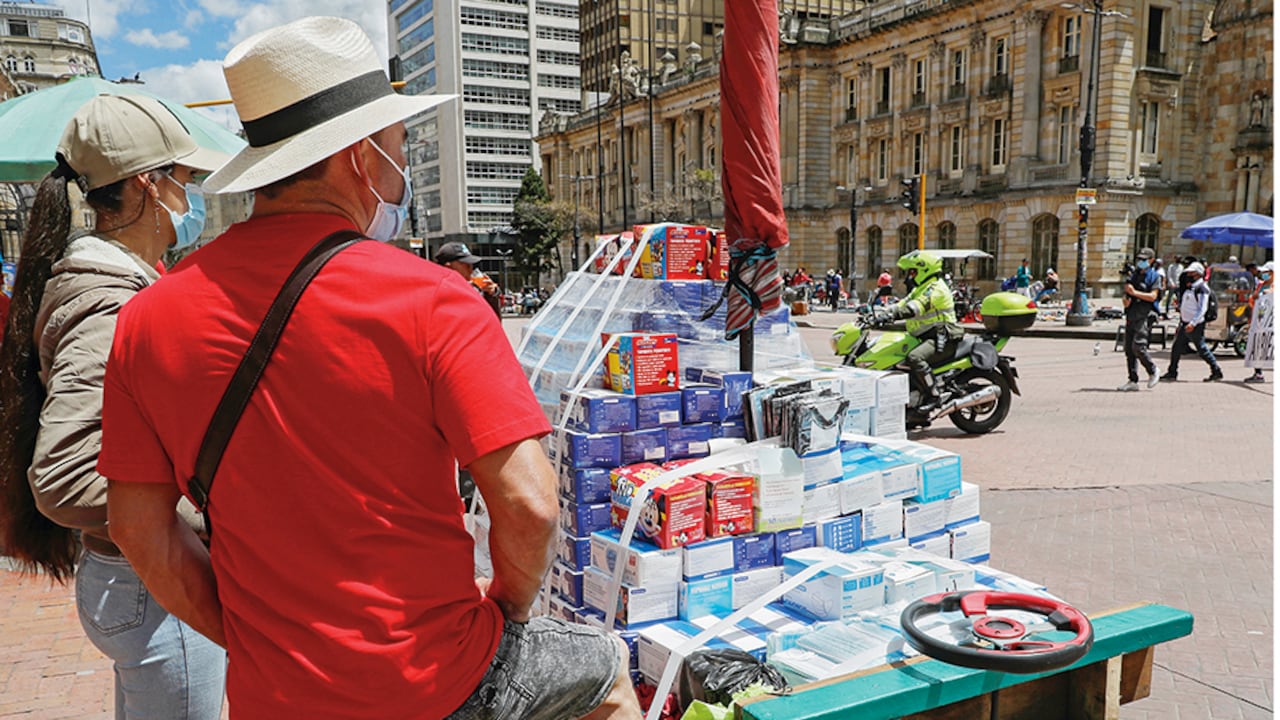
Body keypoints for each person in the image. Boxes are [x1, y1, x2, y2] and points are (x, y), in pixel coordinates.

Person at [98, 17, 639, 720]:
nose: (403, 165)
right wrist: (505, 612)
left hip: (275, 696)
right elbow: (530, 505)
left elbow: (137, 529)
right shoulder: (435, 299)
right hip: (435, 681)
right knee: (608, 670)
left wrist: (255, 639)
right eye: (400, 143)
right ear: (360, 155)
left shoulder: (145, 319)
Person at [0, 95, 228, 719]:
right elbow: (63, 475)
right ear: (149, 185)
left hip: (136, 580)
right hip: (151, 583)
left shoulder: (119, 281)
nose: (192, 197)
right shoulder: (108, 301)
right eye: (186, 179)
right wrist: (205, 509)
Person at [878, 251, 962, 408]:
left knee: (915, 357)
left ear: (924, 269)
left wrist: (895, 315)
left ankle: (933, 395)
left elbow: (915, 307)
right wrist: (881, 312)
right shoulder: (921, 288)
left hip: (941, 336)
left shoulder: (936, 288)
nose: (910, 276)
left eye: (913, 272)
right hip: (926, 334)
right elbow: (904, 303)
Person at [1159, 262, 1224, 383]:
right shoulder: (1191, 288)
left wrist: (1193, 323)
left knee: (1202, 349)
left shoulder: (1202, 289)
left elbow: (1202, 309)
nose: (1188, 275)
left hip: (1194, 325)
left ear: (1198, 274)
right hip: (1185, 323)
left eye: (1191, 273)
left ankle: (1216, 371)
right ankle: (1172, 372)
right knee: (1176, 348)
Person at [1118, 247, 1162, 391]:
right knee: (1129, 349)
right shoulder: (1134, 275)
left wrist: (1135, 293)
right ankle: (1132, 380)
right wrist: (1126, 299)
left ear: (1151, 260)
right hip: (1132, 313)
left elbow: (1153, 296)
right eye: (1139, 259)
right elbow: (1126, 294)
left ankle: (1153, 370)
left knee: (1139, 346)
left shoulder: (1155, 276)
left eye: (1144, 259)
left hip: (1146, 314)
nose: (1141, 262)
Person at [435, 241, 501, 318]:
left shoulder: (474, 290)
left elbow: (491, 321)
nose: (471, 269)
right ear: (448, 267)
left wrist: (491, 295)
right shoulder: (436, 294)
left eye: (471, 264)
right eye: (466, 265)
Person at [1244, 261, 1272, 383]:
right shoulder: (1261, 285)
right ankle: (1258, 373)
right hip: (1259, 321)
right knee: (1257, 347)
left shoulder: (1274, 287)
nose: (1263, 274)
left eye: (1266, 272)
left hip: (1270, 323)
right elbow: (1253, 300)